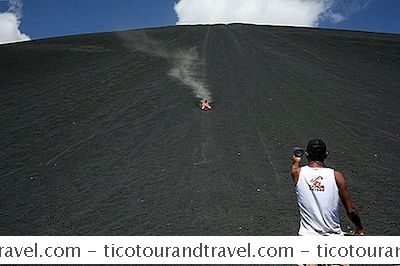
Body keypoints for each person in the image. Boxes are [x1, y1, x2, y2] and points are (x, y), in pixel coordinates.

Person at [291, 139, 364, 236]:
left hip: (306, 236)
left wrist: (296, 161)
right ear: (325, 155)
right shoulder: (336, 176)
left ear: (307, 154)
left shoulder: (298, 173)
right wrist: (359, 228)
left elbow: (294, 168)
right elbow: (351, 210)